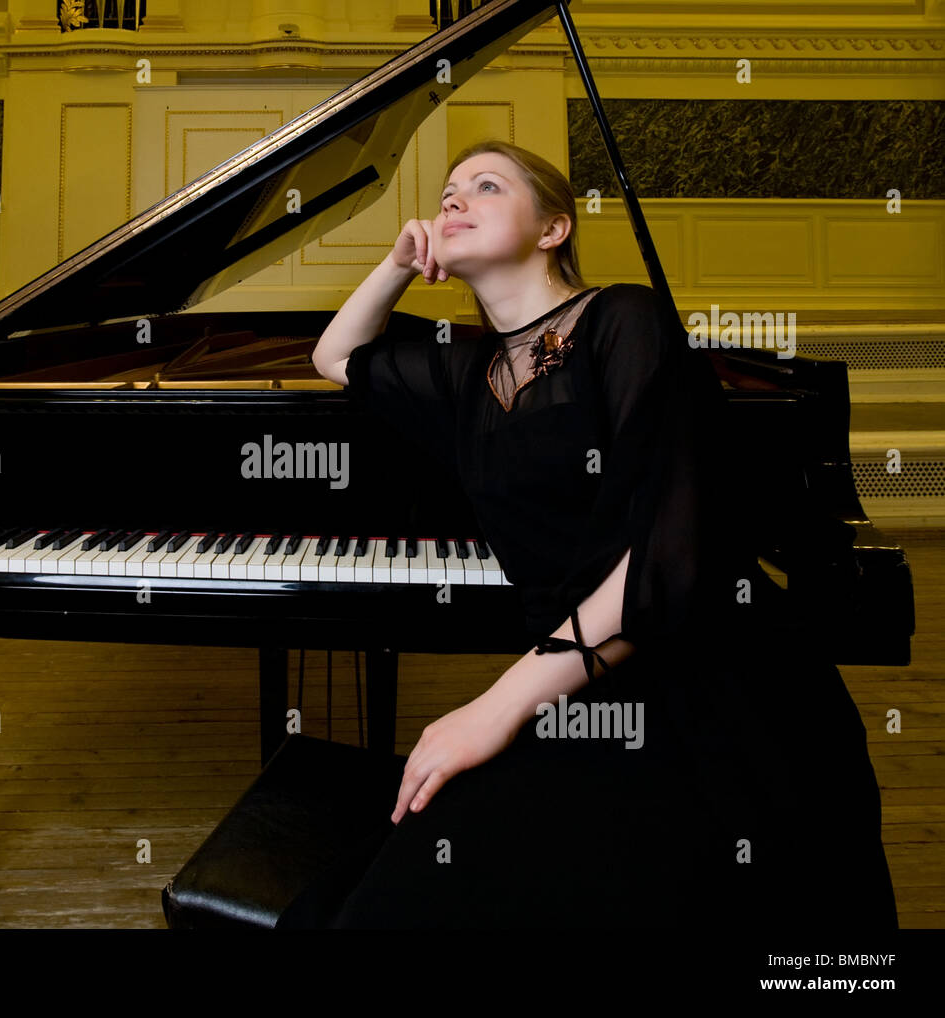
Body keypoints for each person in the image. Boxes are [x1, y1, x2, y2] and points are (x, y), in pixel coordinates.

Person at [298, 140, 898, 930]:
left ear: (553, 229)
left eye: (485, 186)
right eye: (446, 194)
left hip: (713, 686)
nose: (453, 202)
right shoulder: (467, 377)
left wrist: (495, 707)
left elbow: (668, 557)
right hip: (578, 687)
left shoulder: (625, 318)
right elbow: (335, 355)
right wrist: (400, 263)